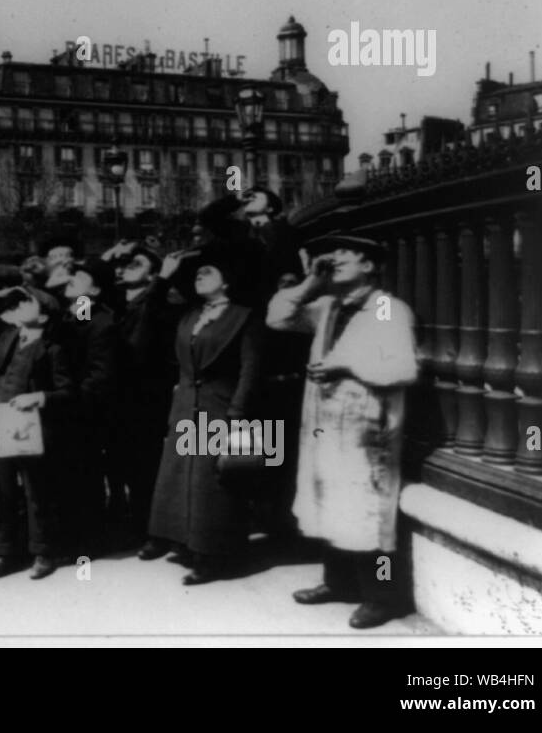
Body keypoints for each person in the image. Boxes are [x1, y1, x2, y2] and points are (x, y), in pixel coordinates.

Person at [267, 234, 419, 629]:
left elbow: (403, 368)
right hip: (329, 423)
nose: (335, 259)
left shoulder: (387, 308)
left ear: (370, 265)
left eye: (346, 255)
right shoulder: (328, 307)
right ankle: (337, 583)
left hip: (368, 428)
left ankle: (384, 598)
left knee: (372, 517)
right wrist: (309, 284)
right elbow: (278, 316)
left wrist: (347, 367)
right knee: (329, 502)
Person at [144, 253, 262, 584]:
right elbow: (150, 316)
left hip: (220, 408)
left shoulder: (245, 318)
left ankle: (215, 556)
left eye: (209, 271)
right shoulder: (189, 316)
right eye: (196, 273)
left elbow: (250, 372)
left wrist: (237, 416)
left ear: (227, 281)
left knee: (215, 485)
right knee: (184, 480)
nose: (199, 275)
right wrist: (163, 279)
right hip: (186, 407)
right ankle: (188, 544)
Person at [0, 287, 76, 582]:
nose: (18, 305)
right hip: (1, 419)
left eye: (27, 302)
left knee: (37, 489)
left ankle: (43, 552)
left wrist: (39, 397)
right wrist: (3, 288)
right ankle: (4, 552)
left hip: (34, 425)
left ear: (43, 313)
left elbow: (67, 391)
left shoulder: (54, 347)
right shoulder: (9, 336)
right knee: (1, 489)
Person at [109, 246, 180, 550]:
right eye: (123, 264)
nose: (126, 267)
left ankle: (154, 532)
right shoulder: (110, 300)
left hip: (146, 393)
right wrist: (107, 259)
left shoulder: (164, 299)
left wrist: (162, 281)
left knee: (145, 466)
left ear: (153, 272)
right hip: (113, 392)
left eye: (135, 263)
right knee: (118, 464)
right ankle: (130, 525)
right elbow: (83, 317)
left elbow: (146, 333)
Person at [57, 258, 118, 559]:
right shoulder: (73, 316)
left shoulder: (102, 322)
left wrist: (71, 404)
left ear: (94, 289)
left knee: (85, 476)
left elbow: (99, 375)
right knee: (69, 476)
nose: (69, 280)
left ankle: (88, 542)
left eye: (78, 277)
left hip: (84, 414)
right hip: (67, 409)